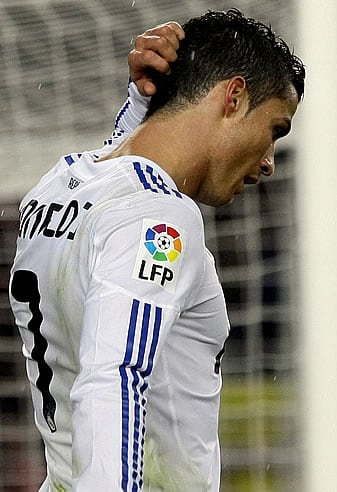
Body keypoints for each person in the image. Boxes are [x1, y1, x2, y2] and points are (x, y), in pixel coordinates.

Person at [9, 9, 305, 491]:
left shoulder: (56, 187)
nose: (270, 161)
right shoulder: (159, 216)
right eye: (275, 129)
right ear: (234, 97)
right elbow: (117, 377)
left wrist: (141, 99)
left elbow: (125, 156)